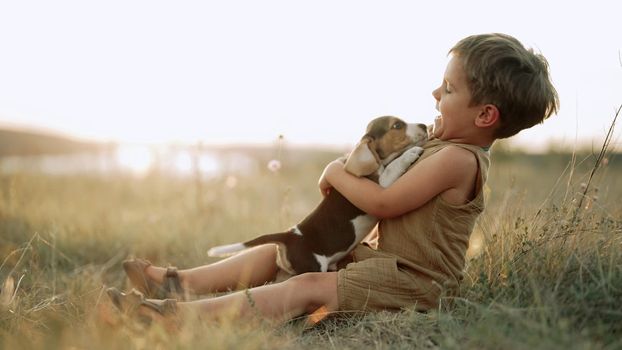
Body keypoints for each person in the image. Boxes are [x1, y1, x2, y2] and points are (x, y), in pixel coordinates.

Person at [106, 33, 559, 325]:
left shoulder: (460, 160)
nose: (436, 94)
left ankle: (175, 318)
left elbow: (385, 204)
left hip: (417, 282)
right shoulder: (443, 147)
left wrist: (335, 172)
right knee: (279, 250)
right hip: (383, 263)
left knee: (306, 286)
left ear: (485, 115)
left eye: (449, 89)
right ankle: (178, 283)